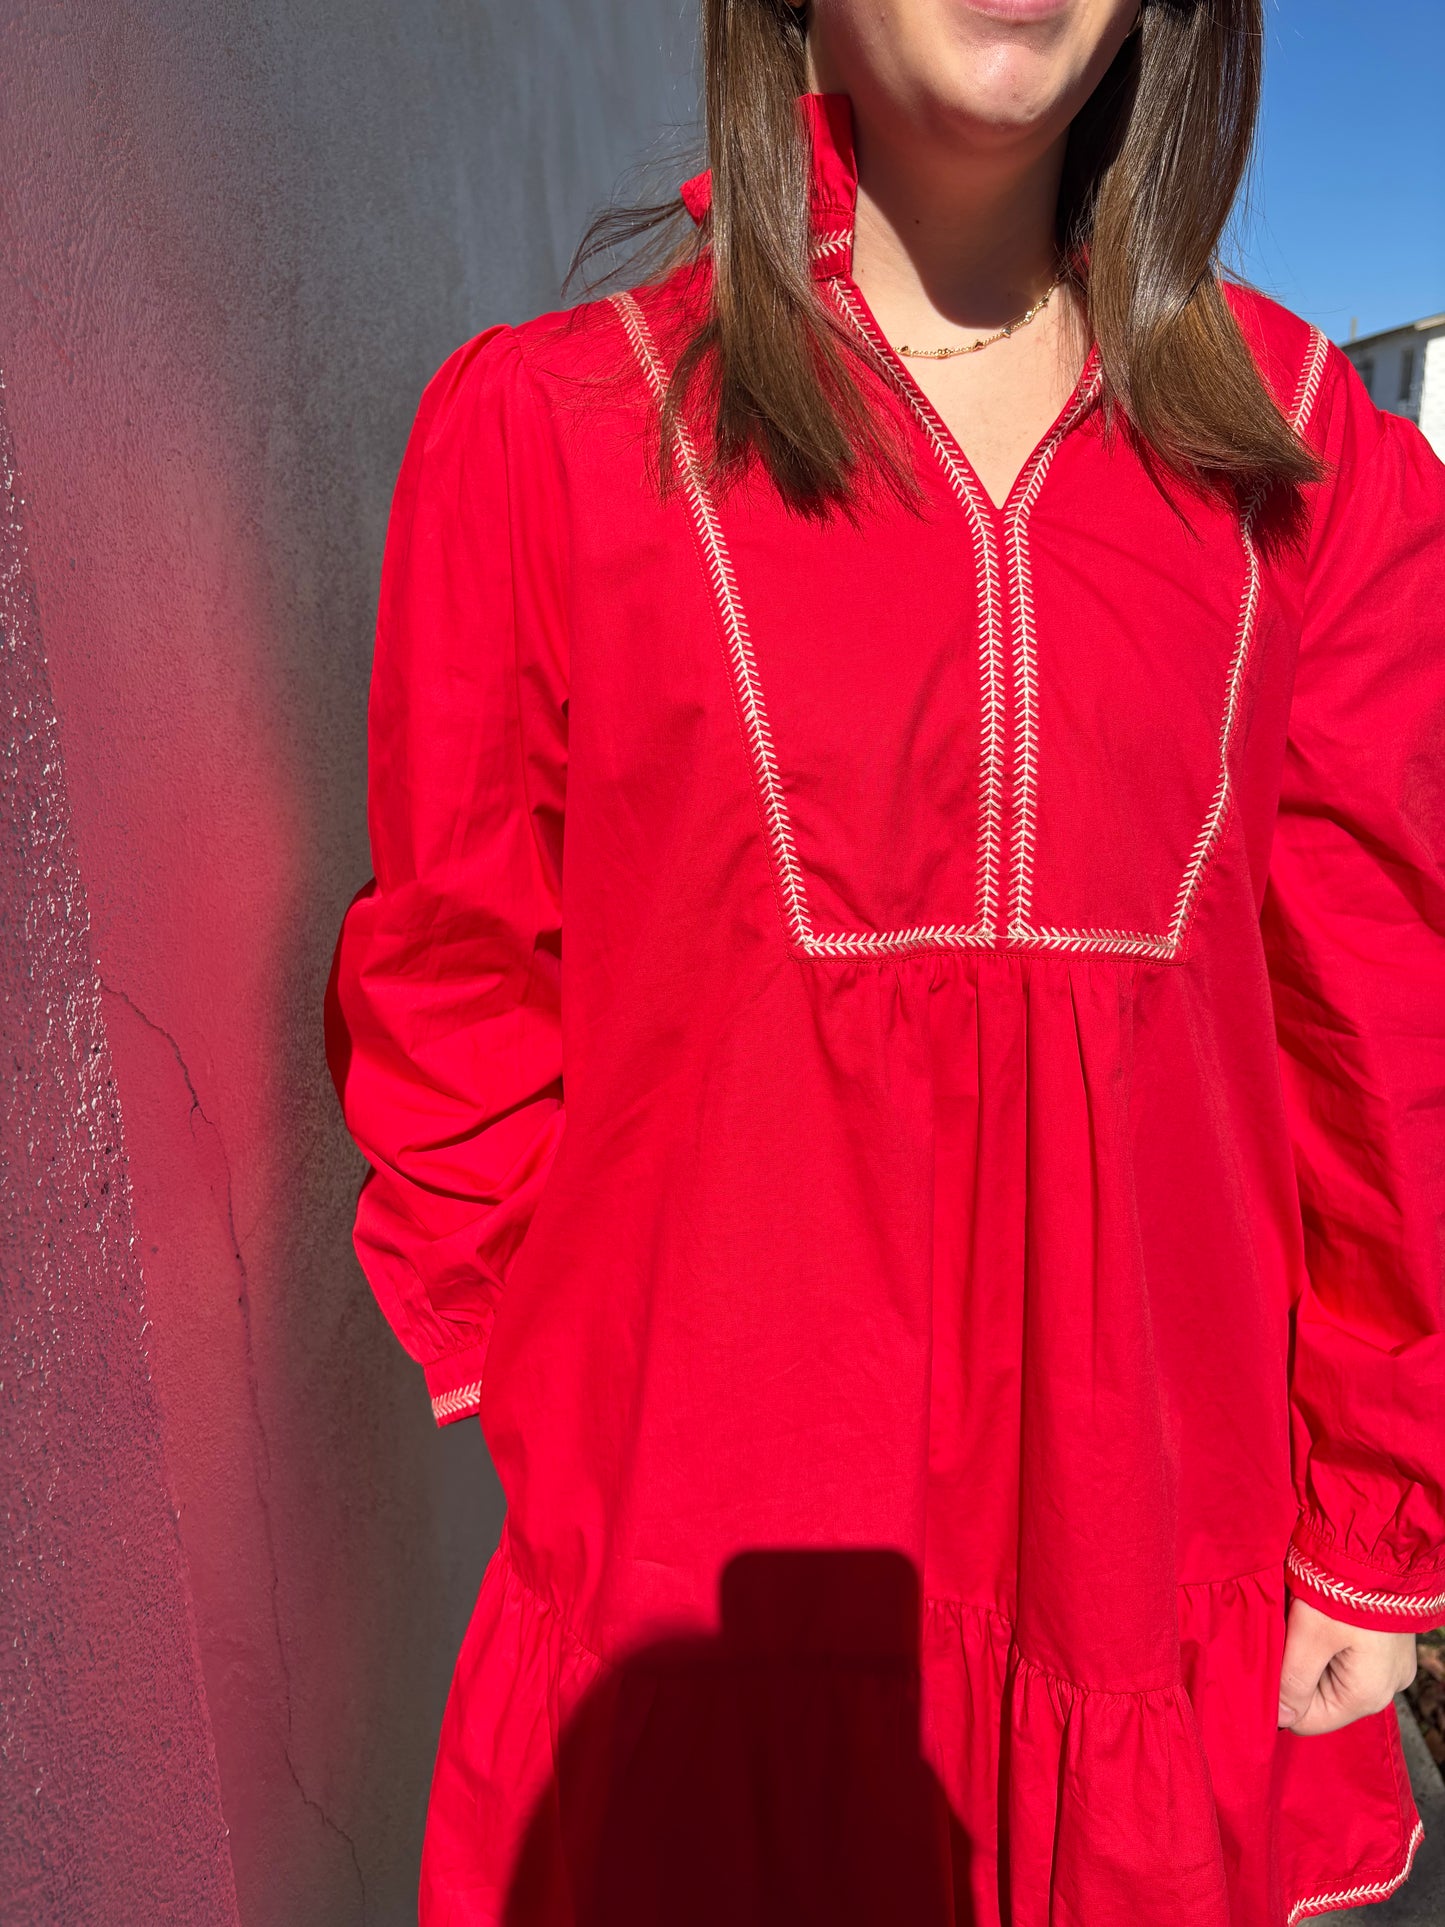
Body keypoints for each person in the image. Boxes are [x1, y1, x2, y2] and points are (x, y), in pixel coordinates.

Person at [324, 1, 1445, 1921]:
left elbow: (1381, 1007)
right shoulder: (555, 424)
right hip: (705, 1605)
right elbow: (451, 965)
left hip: (1153, 1589)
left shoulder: (1306, 464)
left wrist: (1377, 1515)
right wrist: (556, 1388)